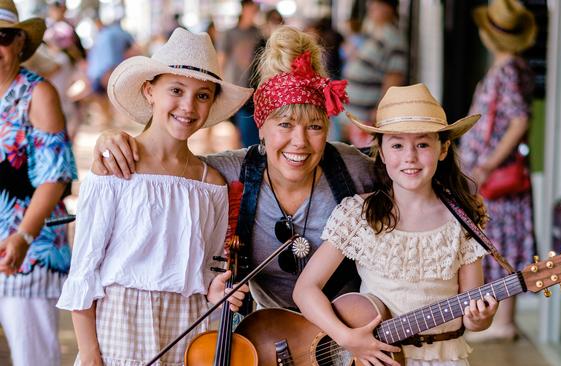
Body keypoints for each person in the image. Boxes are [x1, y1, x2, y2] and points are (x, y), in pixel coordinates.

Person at [92, 25, 375, 311]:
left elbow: (407, 181)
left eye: (314, 127)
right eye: (285, 125)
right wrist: (113, 142)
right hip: (267, 338)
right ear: (261, 127)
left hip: (351, 335)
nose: (299, 142)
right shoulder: (231, 173)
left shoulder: (353, 169)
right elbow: (169, 170)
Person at [56, 28, 253, 365]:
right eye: (175, 90)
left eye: (202, 96)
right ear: (149, 91)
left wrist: (216, 290)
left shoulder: (213, 183)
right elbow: (85, 269)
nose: (188, 106)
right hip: (121, 323)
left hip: (189, 327)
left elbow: (205, 271)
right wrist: (89, 352)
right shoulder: (115, 169)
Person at [294, 83, 498, 366]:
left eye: (423, 144)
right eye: (397, 145)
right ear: (382, 151)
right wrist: (346, 337)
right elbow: (305, 289)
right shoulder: (360, 215)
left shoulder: (462, 221)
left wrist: (481, 318)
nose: (410, 157)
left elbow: (472, 317)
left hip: (444, 359)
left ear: (443, 149)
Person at [0, 1, 77, 365]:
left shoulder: (37, 94)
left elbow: (55, 176)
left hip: (26, 248)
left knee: (33, 358)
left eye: (2, 37)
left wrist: (23, 236)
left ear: (19, 43)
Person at [459, 0, 537, 342]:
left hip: (497, 178)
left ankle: (502, 321)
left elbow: (519, 120)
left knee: (499, 241)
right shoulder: (512, 67)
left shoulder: (507, 71)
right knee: (504, 241)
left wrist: (488, 163)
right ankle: (505, 320)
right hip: (498, 177)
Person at [343, 0, 407, 147]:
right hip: (354, 113)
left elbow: (394, 77)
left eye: (377, 4)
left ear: (389, 9)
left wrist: (380, 110)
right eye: (371, 3)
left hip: (367, 116)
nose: (371, 7)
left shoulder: (393, 37)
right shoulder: (372, 31)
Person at [218, 0, 264, 148]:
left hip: (252, 86)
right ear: (244, 10)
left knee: (248, 124)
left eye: (255, 11)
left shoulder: (258, 33)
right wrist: (220, 82)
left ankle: (248, 151)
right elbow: (221, 58)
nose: (253, 14)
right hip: (234, 84)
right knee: (235, 125)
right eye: (251, 10)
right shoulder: (230, 33)